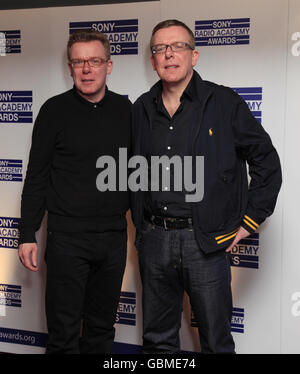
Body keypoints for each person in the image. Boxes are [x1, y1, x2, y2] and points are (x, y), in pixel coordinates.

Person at [131, 19, 282, 354]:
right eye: (160, 48)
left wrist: (248, 223)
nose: (169, 54)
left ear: (194, 56)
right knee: (157, 342)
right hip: (154, 241)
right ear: (153, 60)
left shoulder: (224, 102)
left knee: (215, 340)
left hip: (206, 244)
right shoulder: (141, 108)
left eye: (178, 46)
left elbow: (266, 162)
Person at [18, 30, 131, 354]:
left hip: (112, 239)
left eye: (94, 61)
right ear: (70, 67)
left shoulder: (127, 111)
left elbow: (139, 174)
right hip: (67, 239)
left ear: (108, 66)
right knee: (64, 334)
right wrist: (27, 233)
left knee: (100, 331)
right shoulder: (53, 111)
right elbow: (36, 175)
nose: (86, 69)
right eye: (79, 62)